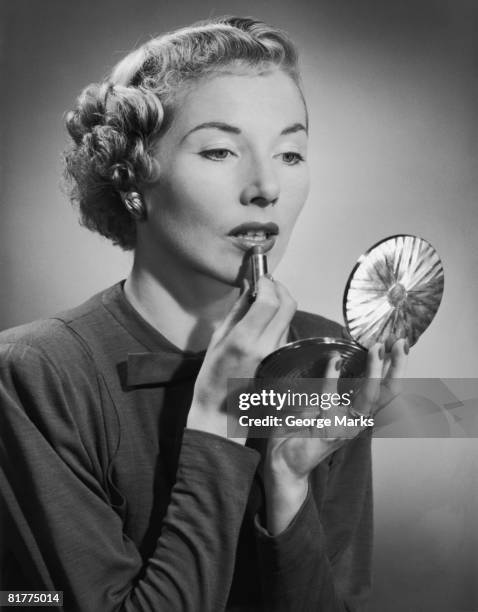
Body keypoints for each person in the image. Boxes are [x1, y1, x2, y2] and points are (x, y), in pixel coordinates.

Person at [0, 16, 408, 612]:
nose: (266, 186)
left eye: (290, 153)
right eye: (220, 150)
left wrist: (288, 485)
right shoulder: (37, 373)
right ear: (132, 175)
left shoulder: (327, 354)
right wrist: (216, 412)